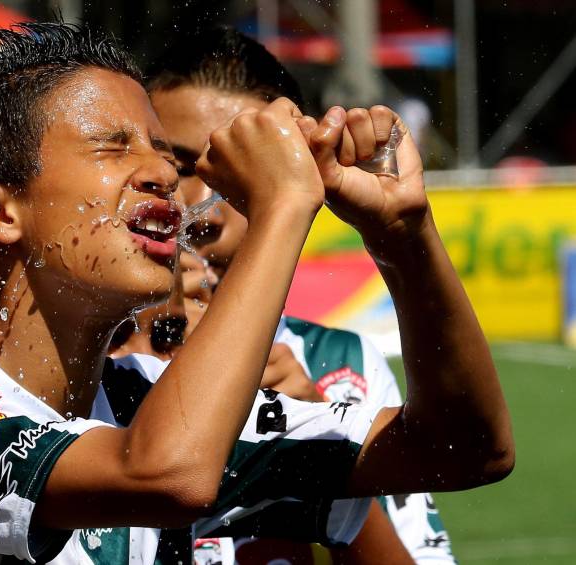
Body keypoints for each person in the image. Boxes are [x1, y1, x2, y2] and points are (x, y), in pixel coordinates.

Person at [0, 21, 513, 564]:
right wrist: (283, 207)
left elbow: (465, 448)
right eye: (115, 148)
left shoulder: (154, 398)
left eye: (160, 151)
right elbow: (166, 473)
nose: (166, 176)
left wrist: (403, 235)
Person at [142, 27, 459, 564]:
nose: (207, 212)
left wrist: (319, 444)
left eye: (245, 178)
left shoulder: (346, 372)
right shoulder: (77, 358)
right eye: (179, 167)